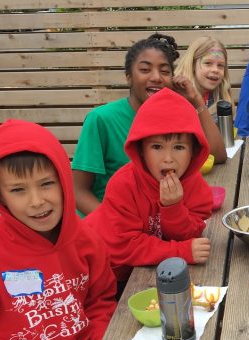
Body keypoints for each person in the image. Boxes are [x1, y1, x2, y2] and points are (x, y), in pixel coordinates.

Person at [0, 120, 143, 340]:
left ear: (63, 181)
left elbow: (100, 302)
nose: (36, 201)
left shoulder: (87, 241)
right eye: (18, 190)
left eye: (46, 184)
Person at [72, 33, 226, 216]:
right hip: (110, 226)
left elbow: (219, 155)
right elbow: (78, 191)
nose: (156, 78)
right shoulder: (101, 120)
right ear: (129, 77)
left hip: (158, 223)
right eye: (145, 70)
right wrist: (111, 225)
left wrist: (196, 101)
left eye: (165, 71)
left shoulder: (174, 116)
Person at [85, 88, 212, 285]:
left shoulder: (194, 185)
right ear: (141, 150)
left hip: (140, 274)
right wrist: (181, 252)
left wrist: (173, 208)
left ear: (194, 151)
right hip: (98, 271)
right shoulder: (123, 184)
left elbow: (190, 234)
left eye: (179, 147)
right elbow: (125, 246)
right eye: (156, 147)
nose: (168, 159)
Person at [174, 36, 233, 122]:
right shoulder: (176, 95)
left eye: (220, 65)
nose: (215, 70)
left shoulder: (222, 99)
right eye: (208, 63)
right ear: (192, 64)